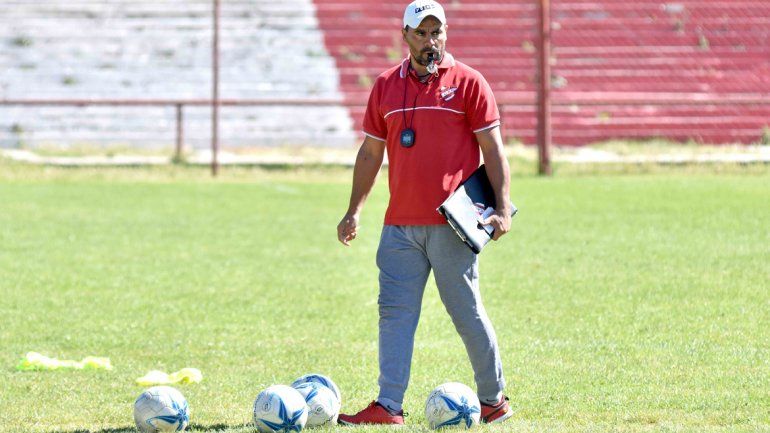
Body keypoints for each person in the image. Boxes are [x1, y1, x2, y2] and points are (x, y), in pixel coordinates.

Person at [335, 0, 513, 426]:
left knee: (466, 313)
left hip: (452, 226)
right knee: (393, 314)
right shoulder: (384, 86)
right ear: (405, 36)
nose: (430, 41)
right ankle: (388, 406)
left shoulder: (470, 83)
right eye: (421, 33)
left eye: (437, 32)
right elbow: (370, 154)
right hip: (399, 227)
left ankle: (493, 400)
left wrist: (502, 209)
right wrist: (353, 210)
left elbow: (493, 149)